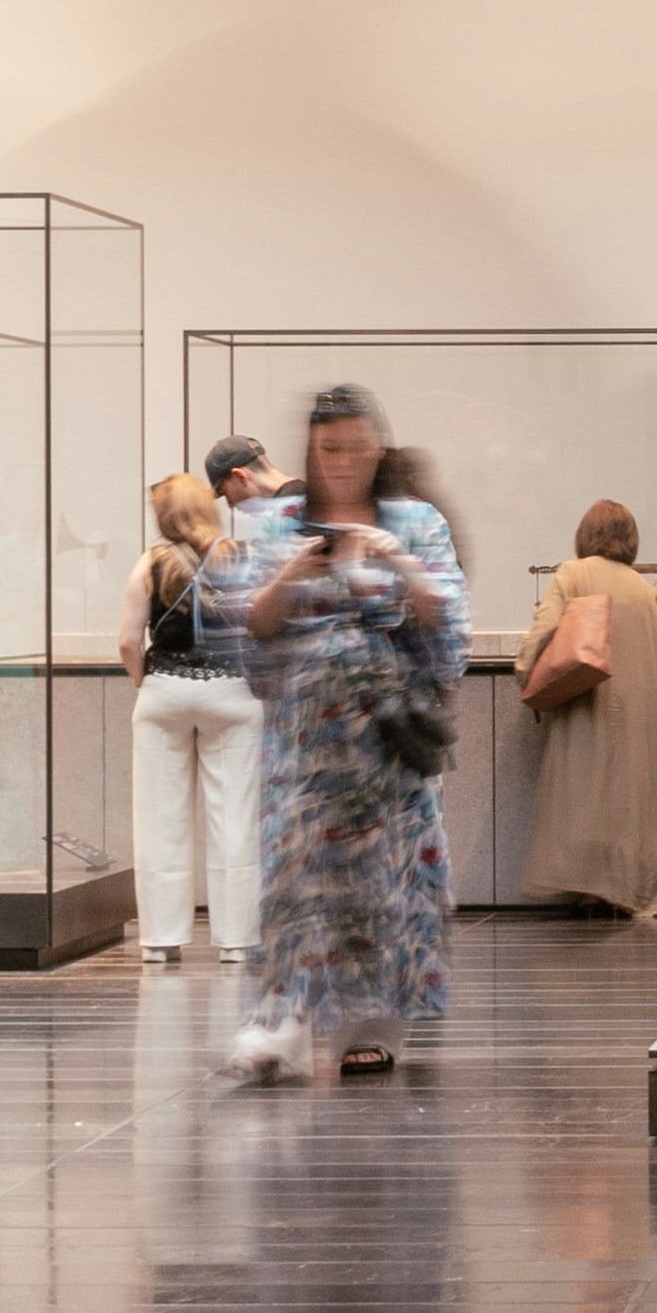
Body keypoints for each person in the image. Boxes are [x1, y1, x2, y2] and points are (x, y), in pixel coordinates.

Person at [215, 381, 461, 1080]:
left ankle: (372, 1020)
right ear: (310, 449)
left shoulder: (415, 520)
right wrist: (297, 569)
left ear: (376, 448)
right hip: (303, 746)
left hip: (386, 747)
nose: (342, 461)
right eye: (328, 448)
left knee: (386, 884)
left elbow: (445, 619)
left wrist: (395, 561)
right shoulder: (277, 521)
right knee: (295, 877)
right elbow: (251, 626)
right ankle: (281, 1016)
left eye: (355, 447)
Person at [120, 467, 261, 968]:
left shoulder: (151, 562)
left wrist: (147, 684)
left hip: (165, 692)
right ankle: (236, 940)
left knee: (160, 819)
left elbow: (127, 641)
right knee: (236, 817)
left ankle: (160, 940)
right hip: (232, 694)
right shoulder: (244, 558)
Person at [520, 496, 657, 923]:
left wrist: (525, 676)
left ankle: (589, 891)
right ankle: (624, 892)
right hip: (638, 710)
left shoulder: (574, 573)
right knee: (627, 802)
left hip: (587, 702)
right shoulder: (643, 590)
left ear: (584, 536)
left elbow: (543, 632)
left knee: (584, 797)